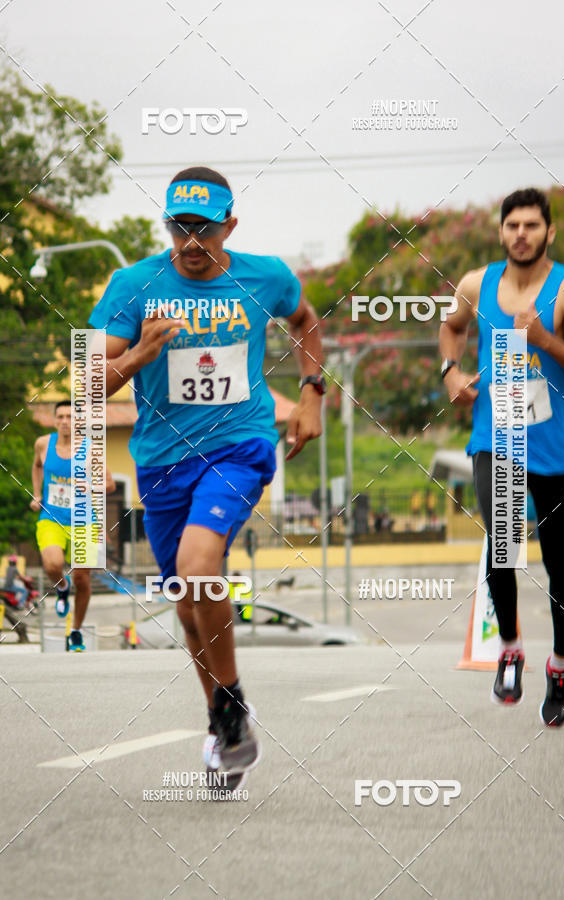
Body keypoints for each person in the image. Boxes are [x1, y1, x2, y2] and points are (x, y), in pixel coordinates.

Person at [88, 166, 324, 784]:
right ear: (166, 225)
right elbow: (85, 386)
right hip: (162, 459)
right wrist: (141, 352)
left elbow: (306, 320)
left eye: (205, 229)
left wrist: (312, 395)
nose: (191, 244)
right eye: (179, 228)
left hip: (238, 444)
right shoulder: (131, 285)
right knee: (188, 606)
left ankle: (227, 703)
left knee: (199, 566)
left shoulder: (264, 275)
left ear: (230, 226)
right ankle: (225, 713)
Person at [439, 187, 564, 727]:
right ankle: (509, 649)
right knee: (503, 549)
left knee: (558, 561)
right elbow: (451, 328)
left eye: (532, 225)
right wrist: (451, 372)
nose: (522, 234)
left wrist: (546, 341)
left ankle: (559, 665)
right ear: (501, 232)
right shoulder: (475, 285)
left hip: (554, 448)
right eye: (513, 226)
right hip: (497, 441)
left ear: (549, 232)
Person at [30, 400, 116, 651]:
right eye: (61, 417)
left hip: (84, 520)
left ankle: (76, 631)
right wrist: (37, 494)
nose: (66, 421)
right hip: (51, 517)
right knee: (52, 564)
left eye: (71, 416)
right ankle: (62, 587)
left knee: (83, 578)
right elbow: (37, 466)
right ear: (54, 420)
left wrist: (91, 487)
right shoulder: (43, 444)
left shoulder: (91, 450)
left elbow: (109, 484)